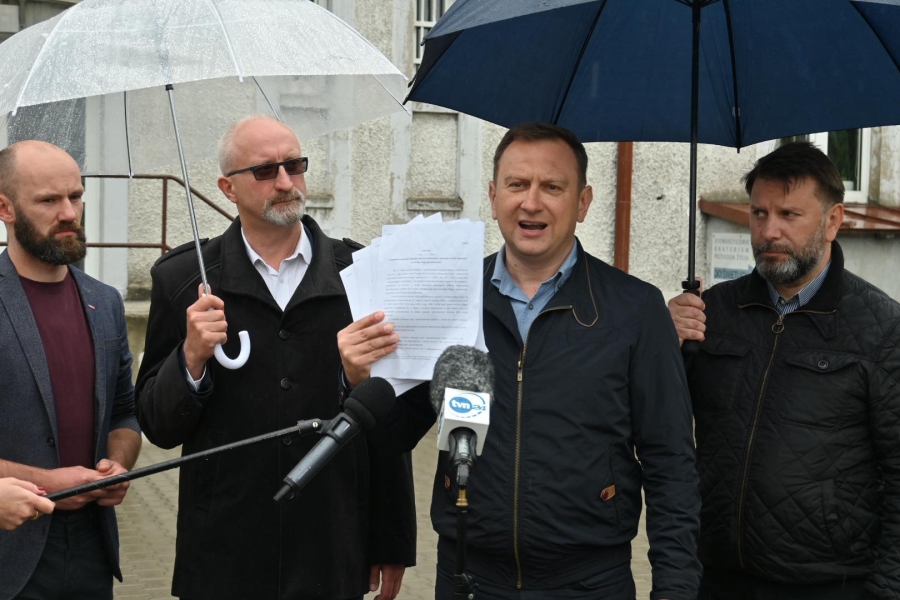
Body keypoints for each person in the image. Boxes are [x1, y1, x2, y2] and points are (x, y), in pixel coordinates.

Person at [339, 122, 702, 599]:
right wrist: (357, 379)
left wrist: (675, 589)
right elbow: (395, 436)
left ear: (583, 202)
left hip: (590, 583)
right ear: (493, 197)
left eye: (552, 187)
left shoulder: (634, 310)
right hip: (467, 578)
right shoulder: (451, 297)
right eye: (517, 184)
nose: (531, 202)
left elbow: (671, 463)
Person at [135, 115, 416, 600]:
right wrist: (191, 358)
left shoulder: (360, 272)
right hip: (224, 549)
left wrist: (392, 539)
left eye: (294, 165)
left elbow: (388, 413)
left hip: (331, 541)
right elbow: (158, 426)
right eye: (265, 171)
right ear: (228, 187)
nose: (285, 182)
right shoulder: (183, 280)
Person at [668, 141, 900, 600]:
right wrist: (664, 344)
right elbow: (651, 423)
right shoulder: (711, 313)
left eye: (789, 215)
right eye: (759, 214)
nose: (768, 231)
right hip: (714, 575)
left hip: (829, 584)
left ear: (833, 220)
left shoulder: (882, 330)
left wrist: (887, 590)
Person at [0, 140, 142, 599]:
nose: (69, 213)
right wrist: (46, 482)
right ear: (4, 208)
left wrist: (117, 465)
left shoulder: (105, 302)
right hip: (9, 553)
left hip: (92, 549)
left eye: (76, 196)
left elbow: (124, 414)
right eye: (48, 200)